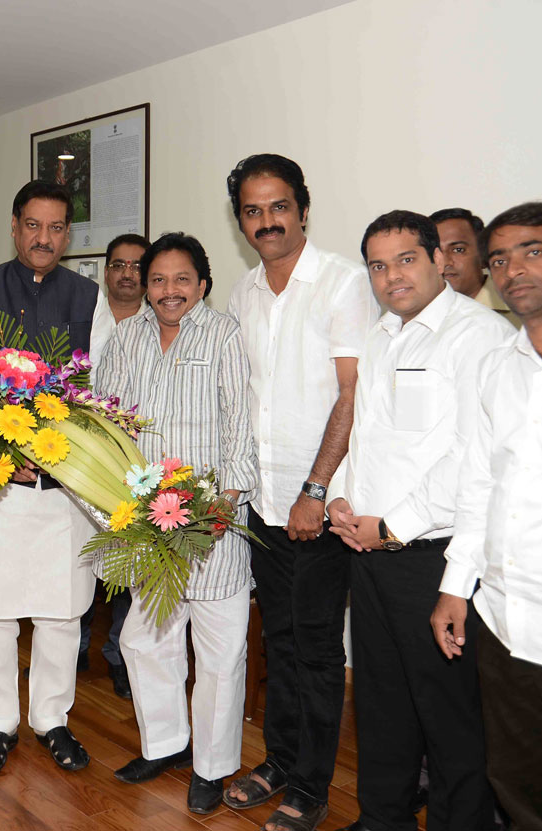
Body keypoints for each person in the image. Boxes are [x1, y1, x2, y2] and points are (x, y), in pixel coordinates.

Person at [326, 211, 510, 831]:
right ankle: (383, 819)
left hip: (433, 556)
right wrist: (342, 501)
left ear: (438, 259)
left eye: (405, 259)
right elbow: (369, 436)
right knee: (381, 707)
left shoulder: (476, 335)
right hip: (369, 550)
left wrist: (394, 524)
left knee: (448, 717)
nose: (391, 276)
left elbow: (471, 457)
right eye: (378, 265)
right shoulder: (381, 335)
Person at [431, 202, 542, 830]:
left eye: (533, 251)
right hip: (503, 627)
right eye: (499, 259)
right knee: (523, 791)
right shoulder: (496, 368)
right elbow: (479, 486)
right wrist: (455, 587)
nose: (512, 270)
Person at [221, 154, 379, 831]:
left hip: (318, 504)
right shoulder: (243, 292)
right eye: (252, 211)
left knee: (315, 647)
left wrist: (316, 488)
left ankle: (311, 783)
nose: (267, 221)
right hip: (263, 501)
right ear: (241, 221)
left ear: (302, 208)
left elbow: (354, 392)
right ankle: (280, 760)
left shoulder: (342, 283)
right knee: (278, 640)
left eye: (278, 206)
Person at [0, 180, 111, 775]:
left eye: (56, 228)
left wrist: (65, 453)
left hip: (63, 488)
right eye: (33, 226)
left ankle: (51, 719)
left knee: (61, 610)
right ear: (15, 227)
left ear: (69, 234)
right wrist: (8, 449)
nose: (44, 238)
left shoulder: (91, 297)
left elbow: (101, 394)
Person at [97, 232, 257, 814]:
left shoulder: (223, 334)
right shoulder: (126, 338)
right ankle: (166, 743)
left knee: (218, 652)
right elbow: (104, 424)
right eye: (158, 279)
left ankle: (212, 768)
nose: (169, 291)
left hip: (214, 523)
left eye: (181, 279)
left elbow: (242, 425)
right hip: (148, 524)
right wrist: (117, 506)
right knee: (145, 640)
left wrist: (224, 505)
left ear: (203, 285)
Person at [78, 231, 150, 700]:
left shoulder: (163, 321)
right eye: (118, 264)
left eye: (136, 265)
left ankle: (121, 656)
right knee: (80, 560)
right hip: (83, 458)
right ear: (106, 271)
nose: (127, 273)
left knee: (130, 566)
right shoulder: (84, 315)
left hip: (139, 462)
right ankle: (71, 650)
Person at [429, 207, 517, 325]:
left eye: (458, 250)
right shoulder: (415, 316)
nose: (445, 262)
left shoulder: (521, 307)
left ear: (483, 255)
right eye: (436, 253)